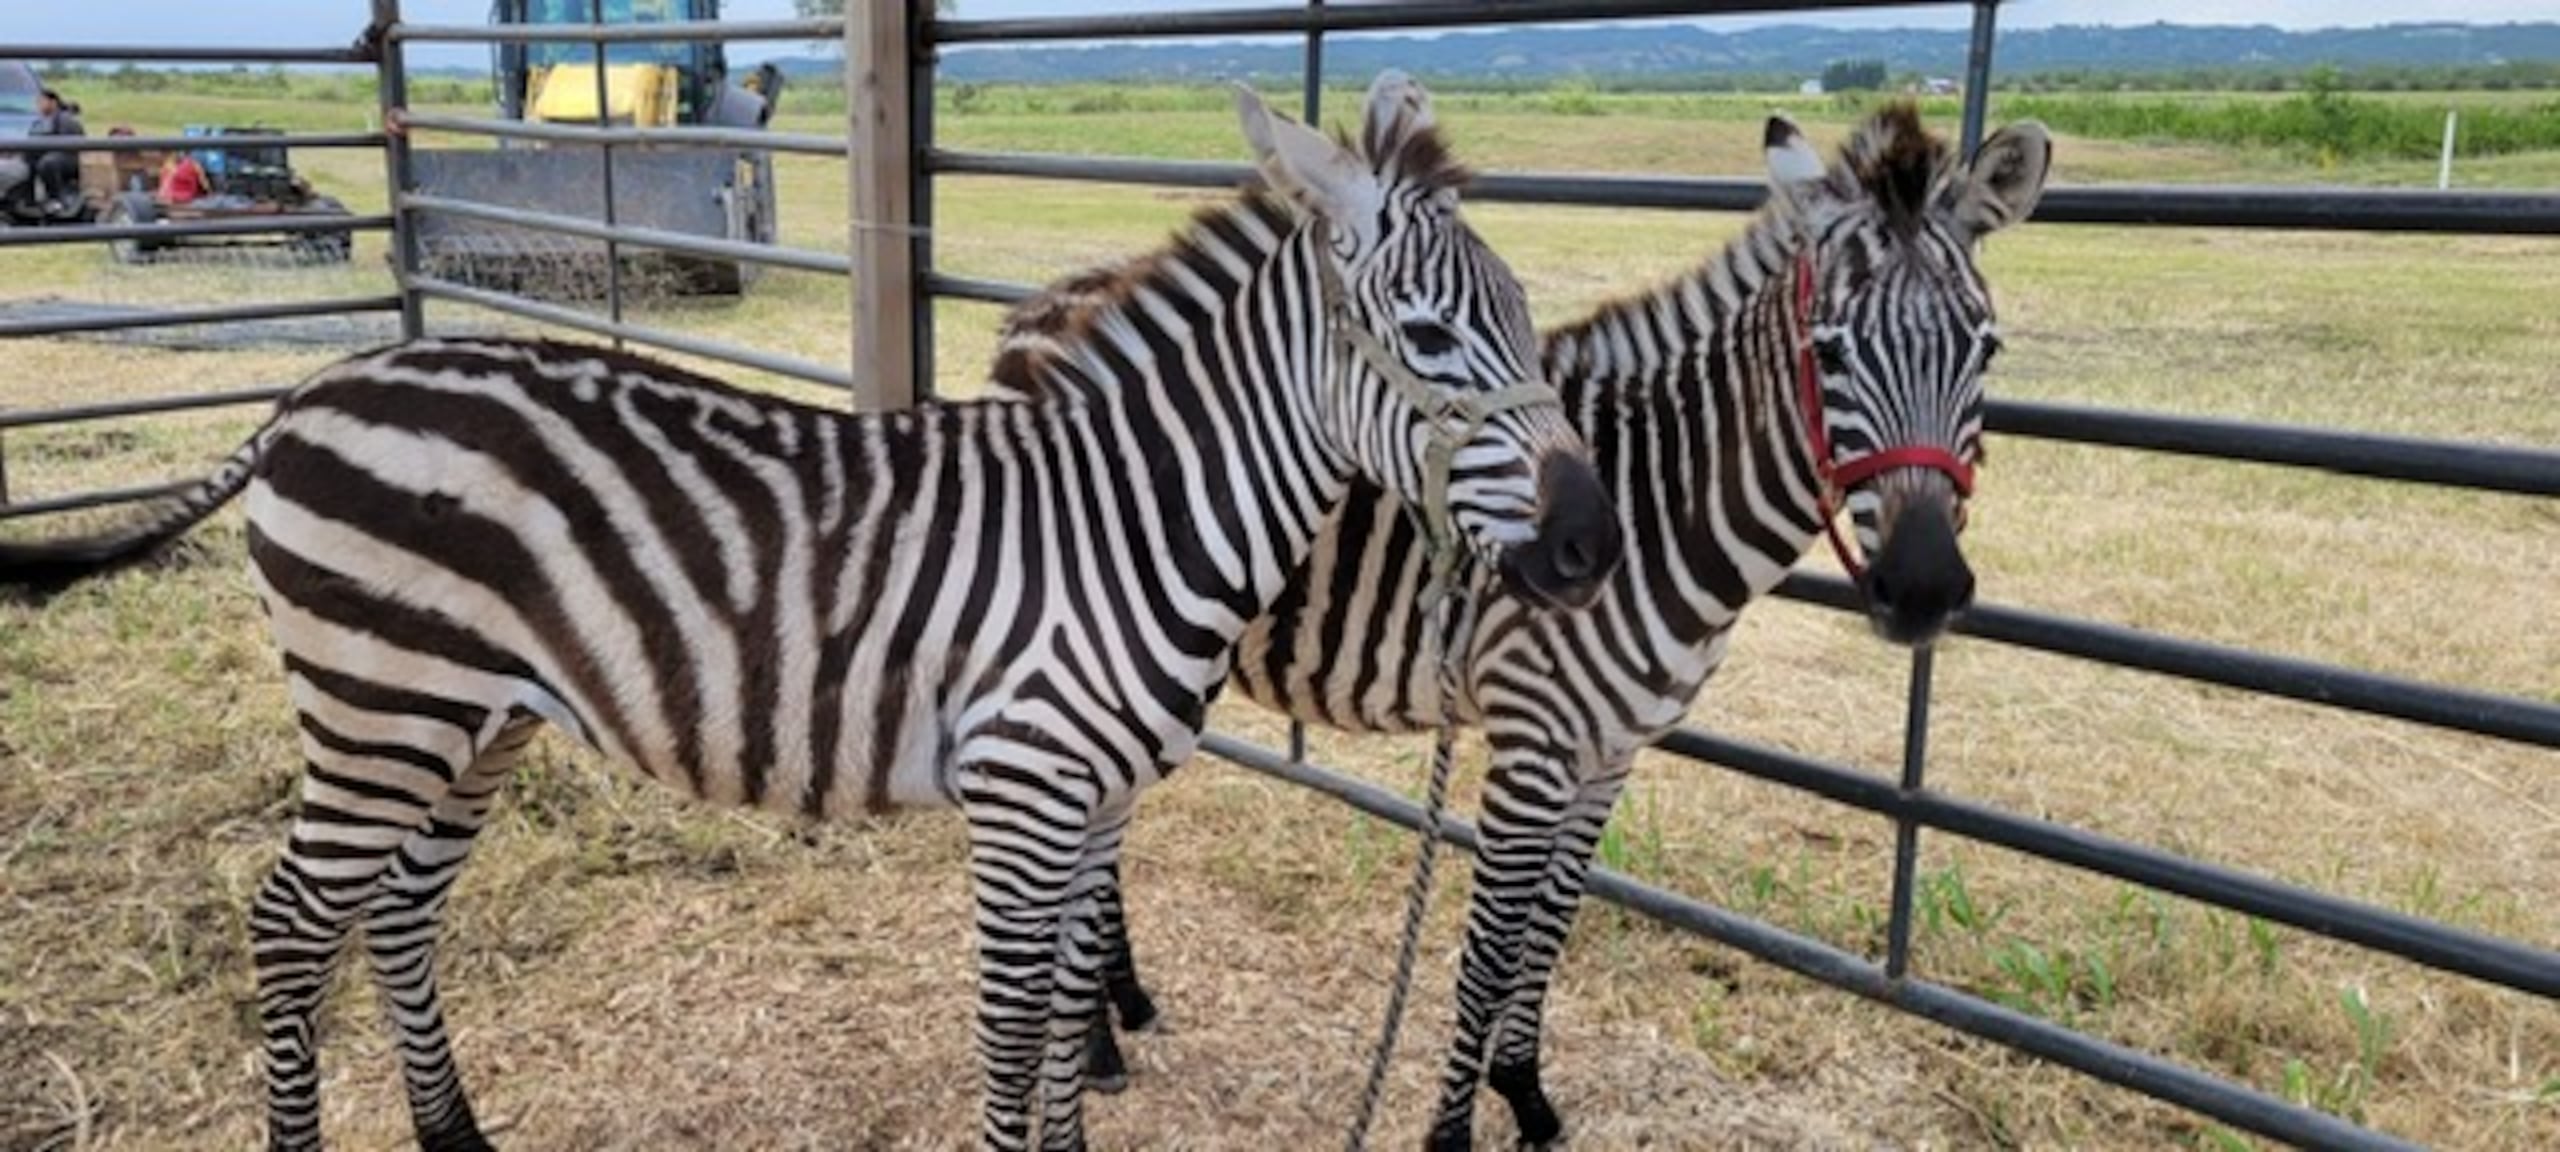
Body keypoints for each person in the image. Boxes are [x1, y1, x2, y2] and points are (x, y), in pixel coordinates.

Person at [29, 87, 86, 212]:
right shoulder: (40, 121)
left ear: (53, 102)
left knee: (48, 163)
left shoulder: (65, 118)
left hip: (68, 157)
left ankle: (57, 199)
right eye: (38, 102)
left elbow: (68, 143)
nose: (39, 105)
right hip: (50, 153)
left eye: (42, 101)